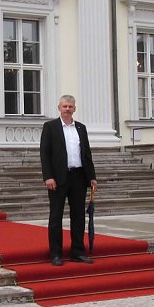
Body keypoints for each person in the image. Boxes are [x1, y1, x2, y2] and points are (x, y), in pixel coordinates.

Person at [39, 95, 98, 266]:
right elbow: (45, 154)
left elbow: (87, 153)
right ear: (59, 107)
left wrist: (92, 176)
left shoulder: (81, 128)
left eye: (70, 106)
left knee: (79, 216)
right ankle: (56, 254)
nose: (67, 109)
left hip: (79, 177)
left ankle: (77, 252)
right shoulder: (50, 127)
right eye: (64, 106)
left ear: (74, 109)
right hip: (58, 178)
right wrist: (48, 176)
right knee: (56, 216)